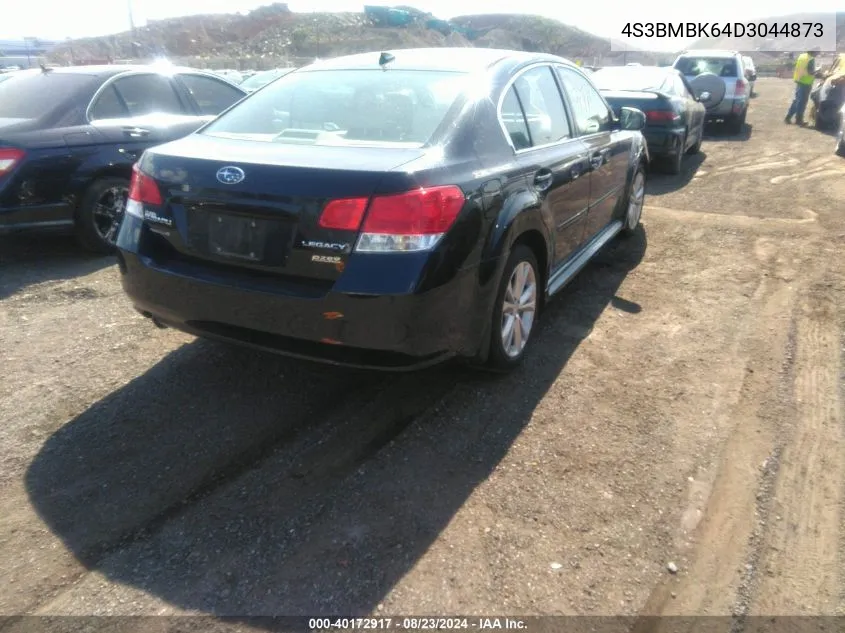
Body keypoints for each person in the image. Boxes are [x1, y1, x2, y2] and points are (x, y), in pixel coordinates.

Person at [785, 48, 821, 125]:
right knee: (802, 102)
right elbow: (810, 72)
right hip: (806, 82)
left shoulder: (802, 56)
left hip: (799, 80)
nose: (819, 53)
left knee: (797, 100)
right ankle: (799, 120)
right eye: (818, 51)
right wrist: (818, 71)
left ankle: (788, 117)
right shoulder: (811, 59)